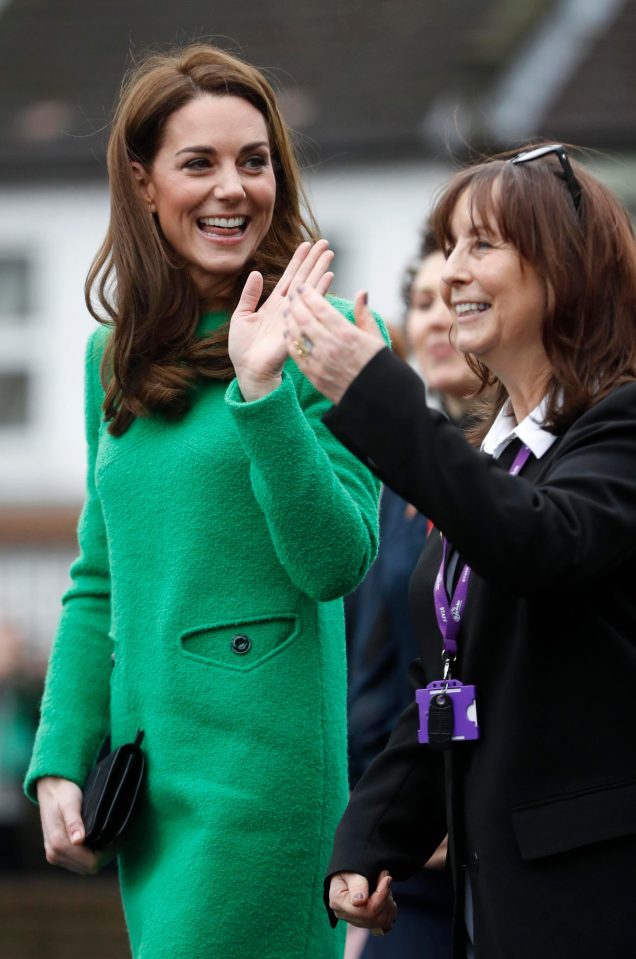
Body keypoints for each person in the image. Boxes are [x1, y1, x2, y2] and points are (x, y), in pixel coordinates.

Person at [24, 43, 384, 959]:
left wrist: (264, 396)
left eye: (254, 161)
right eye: (200, 163)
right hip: (151, 782)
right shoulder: (114, 358)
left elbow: (337, 558)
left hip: (263, 781)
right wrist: (61, 755)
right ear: (144, 184)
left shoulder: (336, 339)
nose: (233, 189)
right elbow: (98, 577)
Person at [282, 143, 636, 958]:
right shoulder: (495, 459)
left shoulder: (621, 427)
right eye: (448, 248)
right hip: (497, 908)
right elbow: (453, 689)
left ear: (566, 268)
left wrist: (375, 391)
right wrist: (371, 839)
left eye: (482, 245)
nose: (450, 276)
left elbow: (537, 542)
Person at [345, 229, 478, 959]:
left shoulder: (514, 470)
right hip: (392, 832)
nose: (434, 318)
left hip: (468, 833)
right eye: (422, 301)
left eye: (454, 300)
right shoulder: (386, 480)